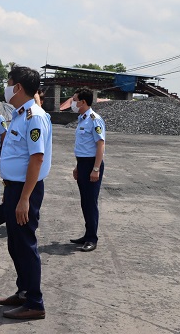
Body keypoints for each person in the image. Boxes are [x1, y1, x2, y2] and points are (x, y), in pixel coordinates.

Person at [0, 66, 52, 320]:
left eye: (9, 83)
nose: (7, 87)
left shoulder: (34, 117)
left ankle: (35, 303)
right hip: (14, 188)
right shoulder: (19, 114)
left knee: (25, 245)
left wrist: (25, 198)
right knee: (15, 244)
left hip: (25, 190)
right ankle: (23, 291)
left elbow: (36, 159)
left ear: (17, 87)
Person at [70, 87, 106, 252]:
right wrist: (78, 166)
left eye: (75, 100)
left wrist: (96, 169)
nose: (73, 103)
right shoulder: (82, 119)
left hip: (92, 164)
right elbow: (84, 147)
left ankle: (92, 238)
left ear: (83, 102)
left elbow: (100, 145)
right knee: (85, 201)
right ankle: (87, 234)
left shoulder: (94, 119)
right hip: (83, 163)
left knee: (91, 203)